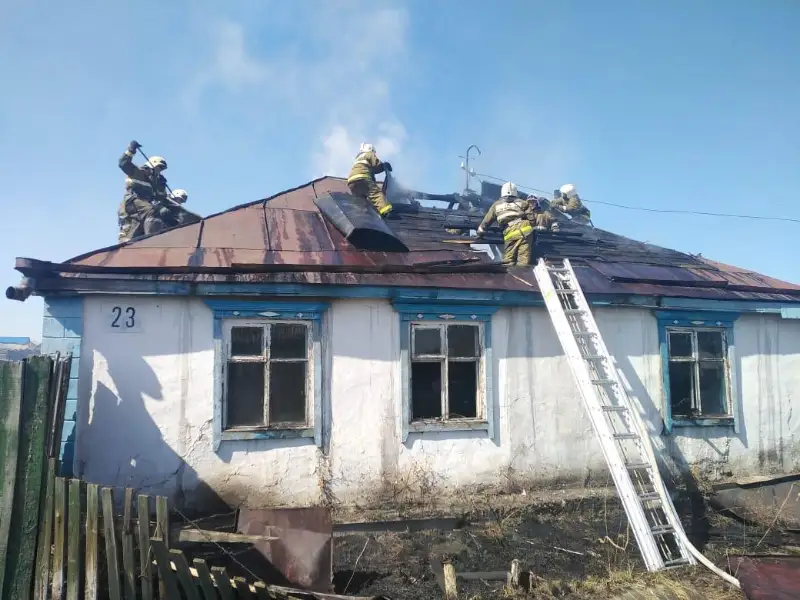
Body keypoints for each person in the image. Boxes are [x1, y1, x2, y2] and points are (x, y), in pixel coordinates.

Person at [117, 140, 171, 242]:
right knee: (153, 211)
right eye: (158, 168)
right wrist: (131, 150)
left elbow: (160, 198)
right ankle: (152, 241)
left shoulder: (154, 182)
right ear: (152, 165)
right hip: (132, 202)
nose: (159, 172)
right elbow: (123, 163)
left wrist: (162, 186)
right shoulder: (137, 172)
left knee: (131, 239)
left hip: (142, 208)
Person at [475, 181, 535, 266]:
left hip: (510, 231)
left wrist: (480, 233)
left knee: (509, 260)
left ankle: (511, 276)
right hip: (526, 231)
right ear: (515, 192)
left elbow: (486, 221)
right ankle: (522, 274)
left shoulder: (496, 205)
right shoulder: (522, 202)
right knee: (523, 260)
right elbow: (532, 218)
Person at [346, 143, 393, 217]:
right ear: (371, 150)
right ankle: (386, 212)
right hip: (362, 178)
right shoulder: (369, 154)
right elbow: (377, 164)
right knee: (376, 193)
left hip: (352, 182)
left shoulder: (358, 158)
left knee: (360, 200)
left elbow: (372, 170)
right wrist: (384, 165)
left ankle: (360, 215)